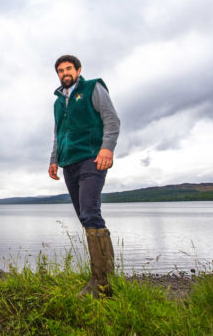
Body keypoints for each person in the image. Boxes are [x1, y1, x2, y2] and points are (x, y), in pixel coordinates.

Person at [48, 55, 120, 298]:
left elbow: (111, 119)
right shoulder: (58, 102)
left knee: (90, 213)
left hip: (92, 158)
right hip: (69, 163)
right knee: (84, 216)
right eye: (60, 70)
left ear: (78, 70)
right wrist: (54, 160)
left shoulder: (93, 87)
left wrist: (107, 147)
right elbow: (59, 134)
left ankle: (101, 284)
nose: (64, 73)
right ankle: (103, 278)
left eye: (68, 68)